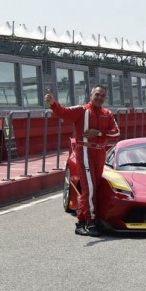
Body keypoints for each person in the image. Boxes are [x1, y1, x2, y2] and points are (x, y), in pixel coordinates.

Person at [45, 86, 120, 237]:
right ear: (91, 95)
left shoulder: (108, 113)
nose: (99, 97)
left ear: (105, 98)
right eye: (97, 94)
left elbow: (117, 133)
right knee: (90, 188)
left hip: (100, 153)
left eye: (103, 96)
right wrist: (53, 103)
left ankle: (81, 221)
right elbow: (63, 112)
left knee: (93, 188)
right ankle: (91, 222)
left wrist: (98, 133)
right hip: (84, 151)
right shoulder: (82, 110)